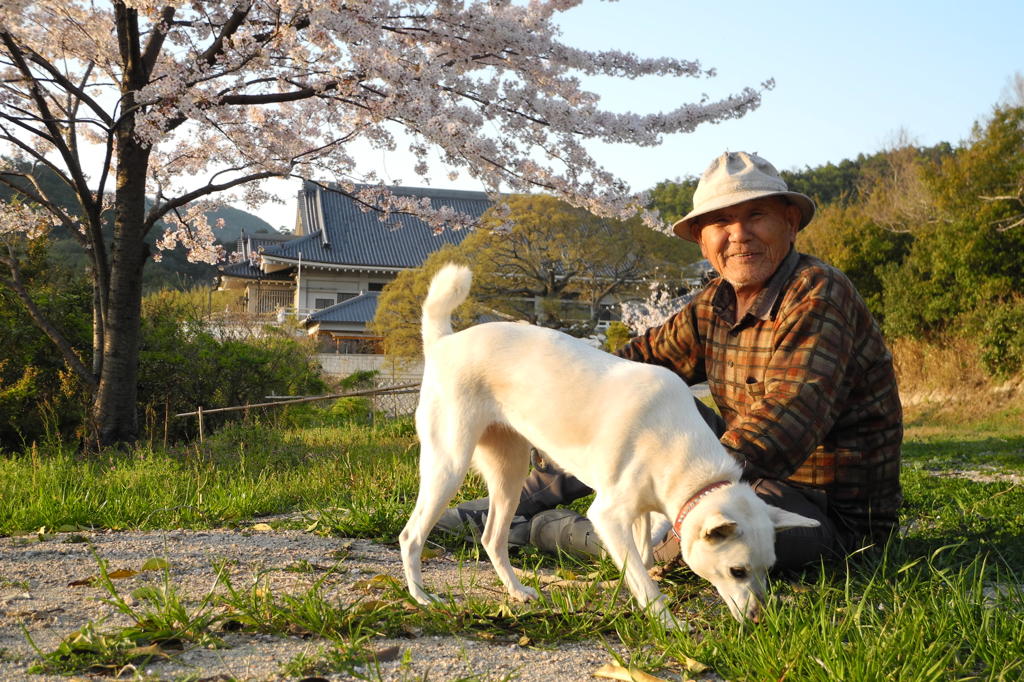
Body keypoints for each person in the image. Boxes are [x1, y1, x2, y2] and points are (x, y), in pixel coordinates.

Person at [434, 151, 903, 570]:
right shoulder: (715, 303)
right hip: (736, 475)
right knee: (628, 407)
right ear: (702, 240)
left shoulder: (818, 293)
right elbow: (625, 371)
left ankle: (543, 530)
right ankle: (521, 501)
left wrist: (681, 491)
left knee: (689, 544)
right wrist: (549, 395)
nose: (739, 235)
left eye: (756, 215)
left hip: (818, 508)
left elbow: (790, 415)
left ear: (790, 223)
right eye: (720, 223)